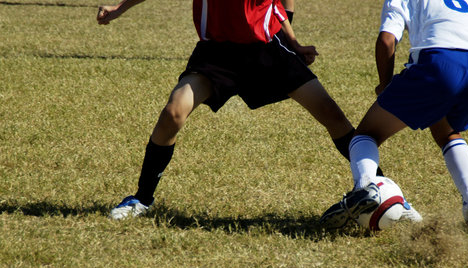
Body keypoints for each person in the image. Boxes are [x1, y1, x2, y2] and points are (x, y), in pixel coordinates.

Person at [97, 0, 361, 219]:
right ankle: (141, 199)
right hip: (217, 53)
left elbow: (278, 4)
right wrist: (119, 8)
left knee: (332, 114)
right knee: (173, 113)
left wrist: (293, 43)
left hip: (267, 50)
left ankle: (378, 188)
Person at [320, 0, 468, 233]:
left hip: (438, 65)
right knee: (446, 132)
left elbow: (387, 41)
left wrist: (386, 87)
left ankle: (366, 186)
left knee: (367, 134)